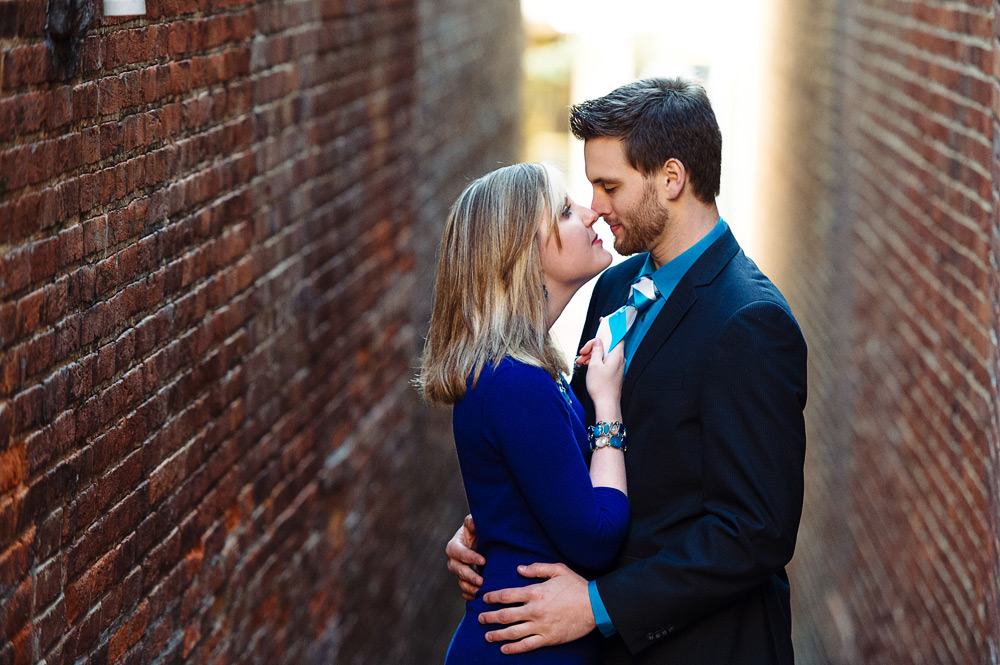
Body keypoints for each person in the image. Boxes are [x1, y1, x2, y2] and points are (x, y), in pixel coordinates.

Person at [446, 77, 808, 664]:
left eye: (609, 186)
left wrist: (598, 604)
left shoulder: (751, 321)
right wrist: (498, 526)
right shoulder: (615, 285)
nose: (595, 207)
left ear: (671, 178)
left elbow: (757, 531)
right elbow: (574, 449)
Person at [418, 162, 635, 663]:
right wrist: (607, 404)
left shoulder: (523, 372)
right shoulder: (514, 381)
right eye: (564, 211)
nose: (588, 212)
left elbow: (535, 493)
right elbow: (596, 536)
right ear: (523, 256)